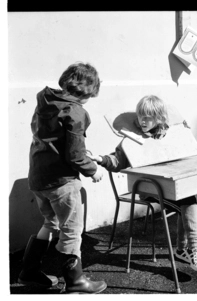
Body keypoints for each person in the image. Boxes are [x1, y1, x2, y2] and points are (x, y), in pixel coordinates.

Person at [87, 95, 197, 273]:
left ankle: (183, 250)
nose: (143, 120)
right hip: (148, 188)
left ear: (159, 118)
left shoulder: (168, 134)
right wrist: (101, 159)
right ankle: (191, 249)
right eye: (141, 115)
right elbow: (118, 160)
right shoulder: (133, 139)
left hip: (170, 185)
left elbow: (181, 143)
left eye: (148, 116)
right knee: (189, 201)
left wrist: (184, 127)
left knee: (186, 197)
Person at [18, 62, 107, 294]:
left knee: (51, 223)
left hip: (39, 177)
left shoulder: (45, 100)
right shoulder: (75, 112)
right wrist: (93, 170)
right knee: (72, 230)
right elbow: (75, 155)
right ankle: (75, 281)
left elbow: (53, 139)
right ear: (86, 91)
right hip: (62, 182)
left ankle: (29, 271)